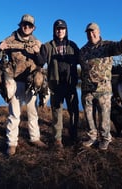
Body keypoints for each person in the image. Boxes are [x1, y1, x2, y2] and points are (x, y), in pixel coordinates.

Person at [0, 14, 48, 156]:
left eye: (30, 25)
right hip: (14, 82)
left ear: (33, 28)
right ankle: (11, 143)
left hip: (32, 82)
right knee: (14, 114)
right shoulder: (10, 39)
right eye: (24, 24)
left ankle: (35, 138)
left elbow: (42, 62)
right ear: (20, 25)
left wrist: (37, 53)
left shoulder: (37, 42)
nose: (27, 27)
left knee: (32, 113)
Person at [79, 22, 122, 150]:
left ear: (99, 32)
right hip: (87, 90)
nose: (90, 34)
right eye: (88, 32)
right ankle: (92, 136)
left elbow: (120, 47)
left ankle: (105, 138)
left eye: (93, 31)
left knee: (104, 116)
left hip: (103, 90)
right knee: (88, 116)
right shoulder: (82, 51)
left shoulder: (108, 46)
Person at [40, 19, 79, 148]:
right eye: (57, 28)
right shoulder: (47, 46)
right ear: (54, 30)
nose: (60, 31)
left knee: (74, 111)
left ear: (66, 30)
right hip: (55, 85)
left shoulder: (73, 45)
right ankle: (57, 139)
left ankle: (73, 135)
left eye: (62, 28)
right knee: (56, 112)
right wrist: (37, 53)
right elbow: (40, 61)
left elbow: (82, 61)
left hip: (70, 84)